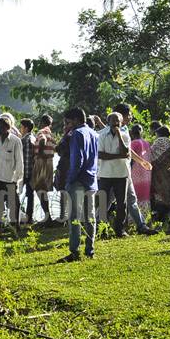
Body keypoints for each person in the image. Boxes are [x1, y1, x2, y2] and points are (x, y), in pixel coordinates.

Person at [58, 108, 98, 263]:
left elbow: (77, 160)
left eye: (68, 122)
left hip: (78, 180)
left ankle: (74, 251)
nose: (67, 125)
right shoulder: (94, 133)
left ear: (75, 120)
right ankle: (90, 250)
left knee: (74, 217)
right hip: (91, 179)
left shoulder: (77, 134)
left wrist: (70, 179)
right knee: (90, 217)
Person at [110, 103, 157, 235]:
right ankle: (95, 224)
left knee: (131, 199)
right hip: (113, 172)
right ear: (122, 115)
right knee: (108, 200)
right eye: (129, 114)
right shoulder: (110, 131)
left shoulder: (125, 129)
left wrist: (142, 162)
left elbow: (128, 150)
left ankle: (141, 226)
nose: (131, 117)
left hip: (125, 171)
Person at [98, 113, 132, 237]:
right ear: (108, 122)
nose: (115, 123)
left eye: (118, 121)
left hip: (121, 174)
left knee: (121, 203)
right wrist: (119, 156)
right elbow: (101, 155)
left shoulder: (125, 136)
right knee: (103, 202)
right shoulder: (102, 136)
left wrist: (119, 135)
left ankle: (120, 230)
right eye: (113, 121)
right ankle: (102, 229)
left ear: (121, 122)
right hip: (105, 174)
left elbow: (125, 152)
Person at [0, 117, 23, 228]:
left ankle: (15, 227)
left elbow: (19, 161)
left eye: (1, 127)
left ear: (8, 127)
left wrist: (16, 179)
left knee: (14, 205)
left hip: (10, 179)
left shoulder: (15, 141)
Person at [32, 115, 56, 224]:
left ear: (42, 122)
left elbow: (42, 140)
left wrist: (40, 154)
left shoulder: (42, 131)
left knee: (39, 188)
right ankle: (48, 216)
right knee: (44, 190)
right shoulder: (51, 134)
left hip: (42, 161)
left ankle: (47, 217)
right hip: (49, 162)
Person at [149, 126, 170, 222]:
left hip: (159, 172)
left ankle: (162, 217)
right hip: (169, 171)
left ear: (159, 134)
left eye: (156, 134)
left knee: (160, 194)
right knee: (169, 192)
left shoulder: (159, 141)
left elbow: (150, 153)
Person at [129, 125, 152, 213]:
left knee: (135, 194)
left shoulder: (133, 143)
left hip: (136, 172)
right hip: (146, 172)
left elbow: (130, 157)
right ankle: (145, 215)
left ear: (131, 133)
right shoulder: (146, 143)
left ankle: (134, 217)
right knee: (145, 193)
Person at [20, 118, 37, 225]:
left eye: (21, 127)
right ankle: (29, 217)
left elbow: (25, 158)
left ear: (26, 128)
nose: (20, 129)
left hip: (26, 171)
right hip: (32, 171)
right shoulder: (33, 138)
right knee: (30, 195)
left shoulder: (26, 139)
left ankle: (20, 216)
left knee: (17, 193)